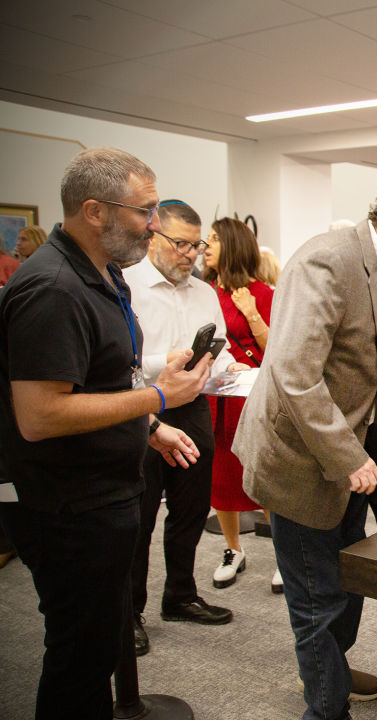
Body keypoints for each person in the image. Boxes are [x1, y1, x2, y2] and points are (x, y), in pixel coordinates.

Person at [0, 147, 211, 719]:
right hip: (69, 506)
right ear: (94, 211)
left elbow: (97, 379)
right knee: (79, 659)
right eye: (144, 211)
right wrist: (161, 398)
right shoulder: (54, 288)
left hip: (102, 493)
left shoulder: (102, 273)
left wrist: (149, 427)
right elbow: (41, 415)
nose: (153, 224)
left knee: (93, 650)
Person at [234, 174, 377, 720]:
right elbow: (294, 376)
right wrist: (349, 455)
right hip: (301, 459)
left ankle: (332, 671)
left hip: (350, 452)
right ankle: (327, 709)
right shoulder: (326, 262)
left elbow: (370, 362)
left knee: (347, 583)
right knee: (318, 599)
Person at [124, 199, 236, 657]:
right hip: (142, 410)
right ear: (153, 236)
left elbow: (220, 352)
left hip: (191, 409)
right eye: (180, 244)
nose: (190, 254)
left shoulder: (203, 292)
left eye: (197, 245)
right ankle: (129, 611)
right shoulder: (127, 284)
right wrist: (163, 362)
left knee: (190, 509)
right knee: (139, 516)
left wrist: (229, 367)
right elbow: (121, 363)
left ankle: (181, 594)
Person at [202, 216, 280, 593]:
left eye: (214, 239)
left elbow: (275, 352)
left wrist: (250, 312)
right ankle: (232, 549)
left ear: (232, 245)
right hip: (213, 398)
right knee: (221, 476)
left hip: (249, 399)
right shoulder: (203, 293)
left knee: (258, 474)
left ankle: (283, 554)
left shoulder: (263, 293)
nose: (206, 245)